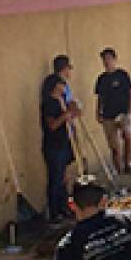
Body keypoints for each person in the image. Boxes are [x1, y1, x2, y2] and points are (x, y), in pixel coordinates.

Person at [41, 56, 81, 222]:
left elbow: (73, 113)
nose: (64, 86)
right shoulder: (49, 103)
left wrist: (73, 112)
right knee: (55, 178)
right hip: (54, 145)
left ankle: (64, 208)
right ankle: (54, 212)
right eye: (61, 84)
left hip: (65, 142)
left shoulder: (62, 100)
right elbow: (51, 125)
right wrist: (64, 116)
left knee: (64, 177)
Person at [94, 47, 131, 175]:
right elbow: (99, 97)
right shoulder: (101, 79)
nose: (106, 62)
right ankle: (119, 170)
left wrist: (130, 111)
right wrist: (98, 112)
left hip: (123, 112)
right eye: (104, 59)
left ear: (114, 59)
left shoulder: (122, 75)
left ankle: (127, 162)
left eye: (109, 59)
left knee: (128, 136)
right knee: (114, 146)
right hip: (108, 115)